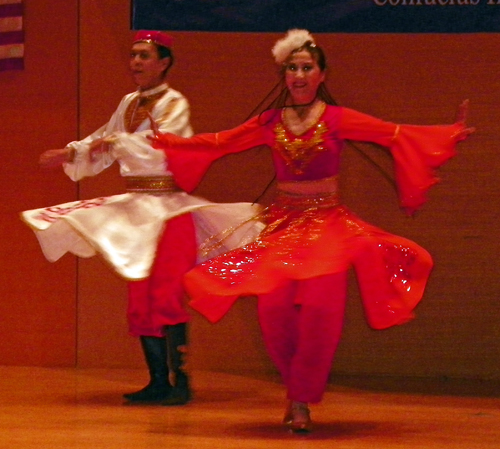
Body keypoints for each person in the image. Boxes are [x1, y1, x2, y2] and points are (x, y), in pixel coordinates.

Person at [147, 29, 474, 431]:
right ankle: (295, 388)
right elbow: (219, 143)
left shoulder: (338, 119)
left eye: (306, 67)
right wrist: (167, 142)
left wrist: (449, 133)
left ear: (321, 75)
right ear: (283, 76)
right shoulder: (269, 122)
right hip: (283, 226)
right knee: (273, 313)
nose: (298, 75)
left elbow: (394, 133)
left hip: (328, 229)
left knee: (321, 313)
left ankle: (301, 399)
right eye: (291, 68)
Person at [21, 31, 263, 406]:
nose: (135, 62)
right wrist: (71, 152)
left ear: (163, 62)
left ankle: (180, 381)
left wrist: (114, 143)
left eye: (144, 56)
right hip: (138, 207)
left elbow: (164, 144)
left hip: (169, 209)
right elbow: (104, 138)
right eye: (133, 55)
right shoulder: (129, 102)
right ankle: (156, 381)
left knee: (165, 293)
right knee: (140, 295)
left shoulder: (174, 102)